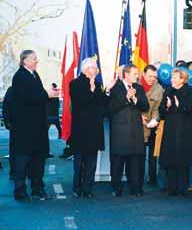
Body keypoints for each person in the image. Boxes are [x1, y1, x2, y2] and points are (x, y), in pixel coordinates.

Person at [12, 50, 60, 201]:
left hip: (38, 127)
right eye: (33, 58)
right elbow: (28, 98)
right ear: (24, 60)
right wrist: (46, 95)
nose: (36, 61)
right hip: (25, 128)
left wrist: (49, 94)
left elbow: (38, 95)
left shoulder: (34, 75)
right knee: (23, 161)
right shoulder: (19, 77)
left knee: (38, 160)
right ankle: (20, 192)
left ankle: (37, 189)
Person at [108, 64, 149, 197]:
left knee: (135, 160)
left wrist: (135, 99)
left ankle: (136, 188)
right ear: (126, 74)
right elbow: (110, 108)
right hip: (120, 130)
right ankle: (116, 187)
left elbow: (145, 106)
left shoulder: (139, 88)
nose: (137, 76)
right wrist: (126, 98)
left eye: (137, 74)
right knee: (118, 160)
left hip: (135, 129)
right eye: (135, 74)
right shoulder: (115, 88)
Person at [69, 58, 108, 198]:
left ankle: (88, 188)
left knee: (91, 162)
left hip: (95, 129)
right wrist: (91, 91)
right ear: (86, 69)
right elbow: (80, 103)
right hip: (81, 129)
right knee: (79, 162)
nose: (97, 70)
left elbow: (104, 104)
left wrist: (107, 92)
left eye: (96, 68)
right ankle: (76, 188)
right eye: (94, 67)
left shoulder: (98, 85)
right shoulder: (74, 84)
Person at [158, 68, 192, 196]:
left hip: (184, 130)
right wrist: (167, 106)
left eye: (174, 78)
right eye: (171, 77)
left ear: (182, 79)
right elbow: (161, 111)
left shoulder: (191, 91)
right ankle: (170, 188)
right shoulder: (168, 91)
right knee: (170, 158)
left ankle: (182, 188)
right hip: (170, 129)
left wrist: (180, 105)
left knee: (183, 159)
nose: (171, 80)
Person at [140, 64, 164, 186]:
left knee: (153, 154)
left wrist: (154, 120)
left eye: (154, 77)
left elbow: (157, 107)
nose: (152, 79)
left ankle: (152, 177)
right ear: (143, 75)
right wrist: (139, 116)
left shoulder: (159, 88)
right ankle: (137, 178)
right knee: (139, 153)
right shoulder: (136, 84)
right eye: (150, 76)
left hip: (151, 123)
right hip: (138, 123)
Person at [3, 86, 14, 176]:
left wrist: (7, 121)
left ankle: (14, 171)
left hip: (15, 124)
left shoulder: (11, 89)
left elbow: (6, 106)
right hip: (17, 125)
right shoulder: (11, 90)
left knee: (14, 149)